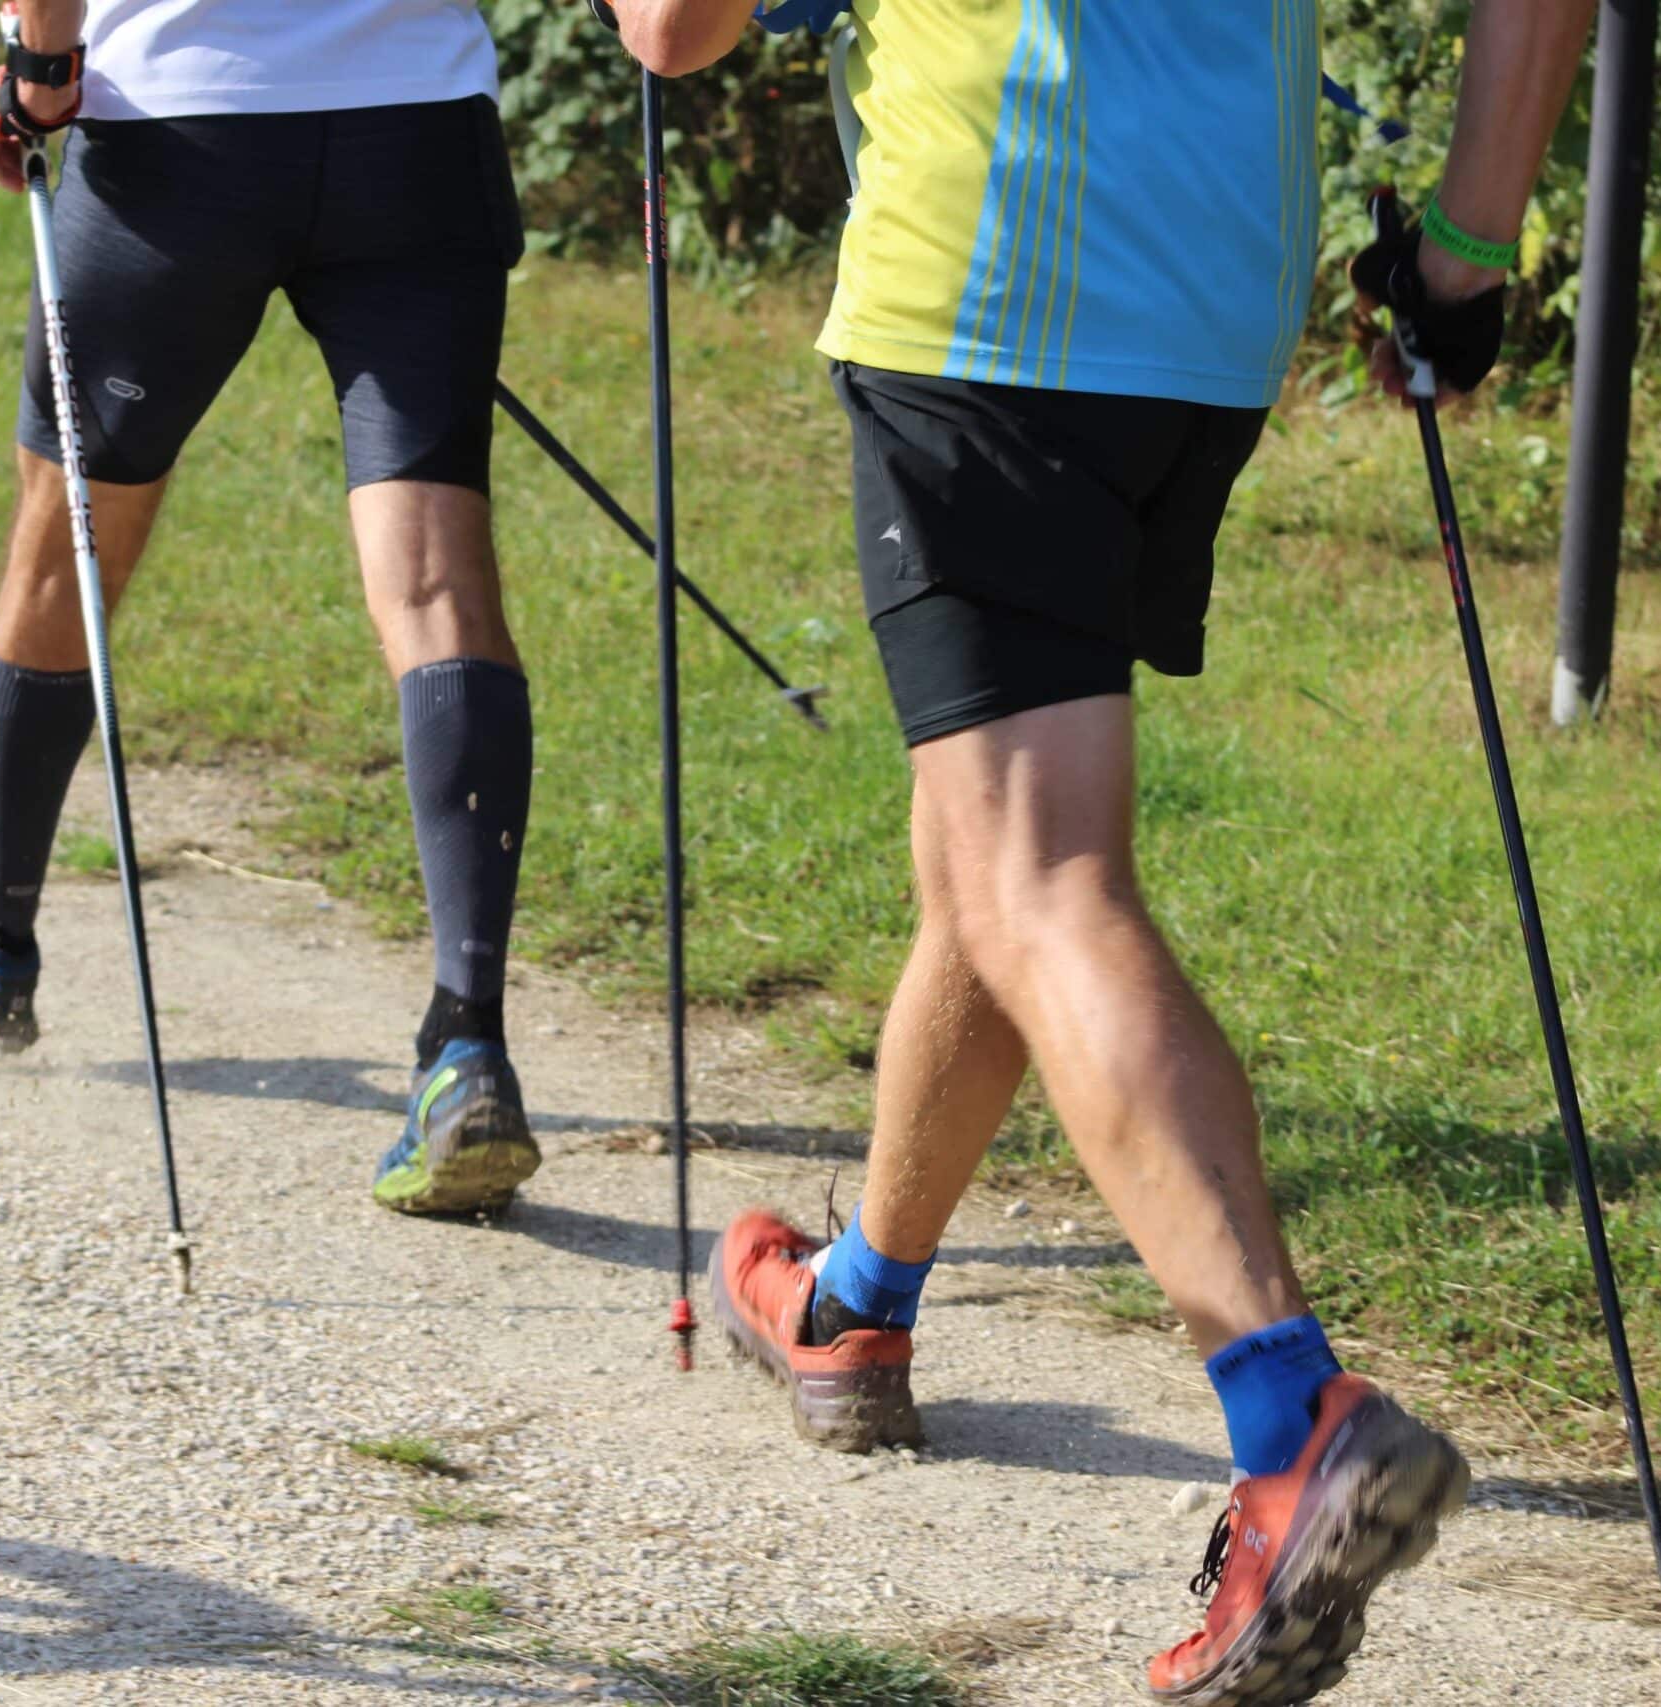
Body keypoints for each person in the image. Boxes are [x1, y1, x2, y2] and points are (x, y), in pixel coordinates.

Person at [613, 0, 1596, 1699]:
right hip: (1211, 301)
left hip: (990, 275)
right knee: (990, 856)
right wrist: (1465, 245)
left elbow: (674, 30)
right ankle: (854, 1304)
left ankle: (1298, 1417)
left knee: (1040, 877)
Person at [0, 0, 546, 1218]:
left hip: (181, 138)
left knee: (69, 539)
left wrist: (37, 70)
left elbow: (50, 42)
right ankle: (465, 1046)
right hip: (419, 127)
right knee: (435, 570)